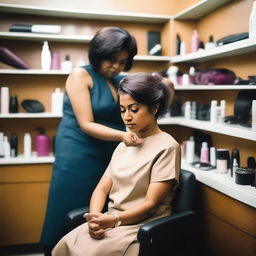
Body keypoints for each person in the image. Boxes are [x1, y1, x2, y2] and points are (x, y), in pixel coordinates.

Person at [52, 72, 181, 256]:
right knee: (64, 245)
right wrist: (94, 219)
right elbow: (101, 189)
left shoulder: (167, 147)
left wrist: (113, 220)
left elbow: (151, 204)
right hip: (110, 221)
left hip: (140, 226)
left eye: (134, 109)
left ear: (154, 108)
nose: (127, 117)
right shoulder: (124, 145)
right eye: (122, 109)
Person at [40, 27, 142, 253]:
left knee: (100, 208)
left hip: (108, 152)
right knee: (68, 205)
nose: (116, 66)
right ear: (98, 53)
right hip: (77, 151)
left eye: (123, 62)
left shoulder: (120, 80)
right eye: (111, 60)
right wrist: (123, 136)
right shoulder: (80, 75)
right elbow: (86, 124)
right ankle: (56, 249)